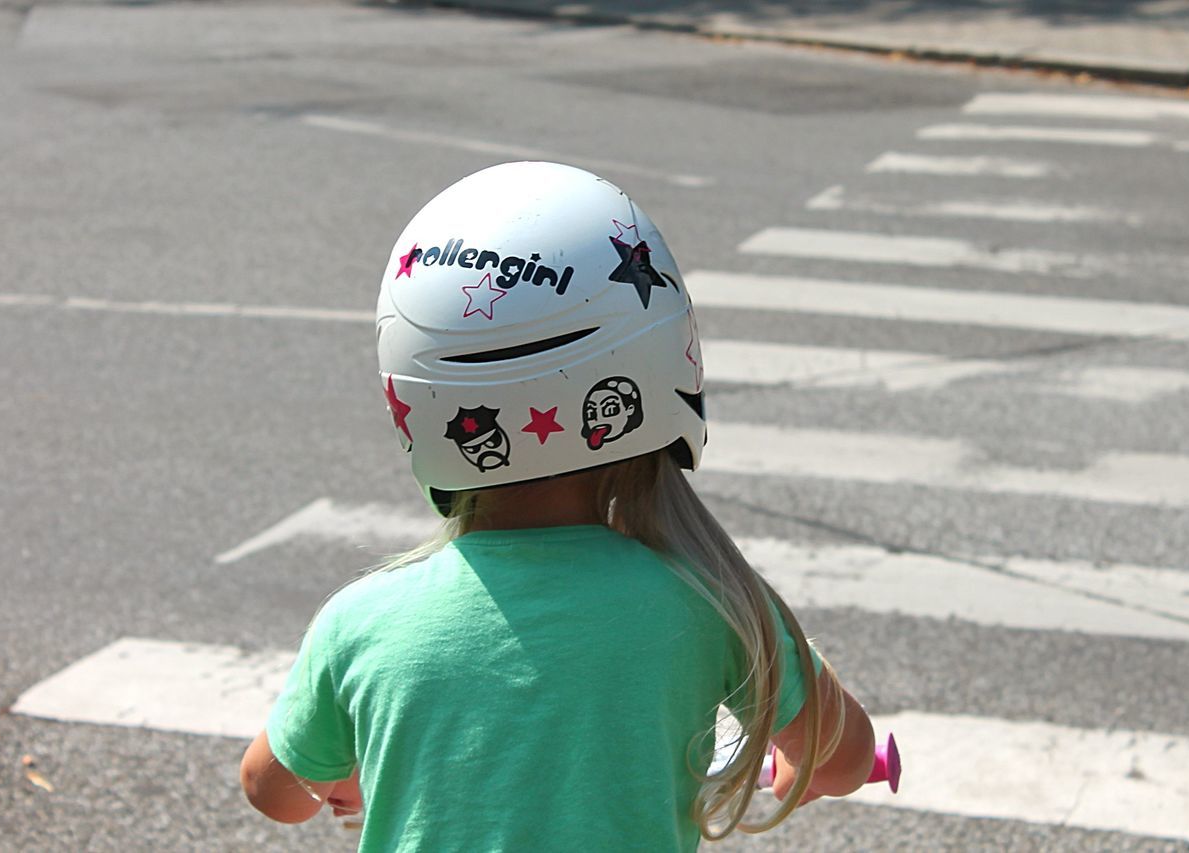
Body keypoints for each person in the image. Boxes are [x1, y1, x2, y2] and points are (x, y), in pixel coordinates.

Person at [240, 162, 875, 850]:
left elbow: (270, 788)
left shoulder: (360, 622)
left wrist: (353, 768)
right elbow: (844, 759)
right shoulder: (712, 605)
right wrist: (794, 729)